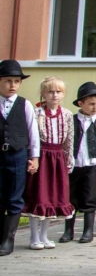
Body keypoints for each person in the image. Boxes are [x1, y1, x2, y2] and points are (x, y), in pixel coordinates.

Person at [24, 77, 74, 250]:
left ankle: (45, 236)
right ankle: (33, 236)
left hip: (58, 157)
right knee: (39, 195)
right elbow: (31, 136)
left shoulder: (67, 114)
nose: (54, 95)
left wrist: (68, 159)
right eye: (50, 91)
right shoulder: (36, 112)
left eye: (58, 92)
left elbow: (69, 140)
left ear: (63, 94)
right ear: (43, 94)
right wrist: (32, 157)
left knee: (52, 196)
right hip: (42, 156)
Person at [63, 82, 96, 244]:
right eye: (91, 104)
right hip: (74, 165)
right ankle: (68, 230)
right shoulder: (72, 119)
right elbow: (66, 141)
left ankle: (88, 231)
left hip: (92, 164)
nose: (95, 107)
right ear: (80, 103)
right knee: (70, 197)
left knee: (89, 197)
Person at [0, 60, 40, 256]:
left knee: (14, 197)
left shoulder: (25, 104)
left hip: (17, 154)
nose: (12, 85)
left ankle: (9, 239)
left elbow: (33, 132)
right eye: (8, 80)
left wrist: (35, 157)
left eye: (16, 81)